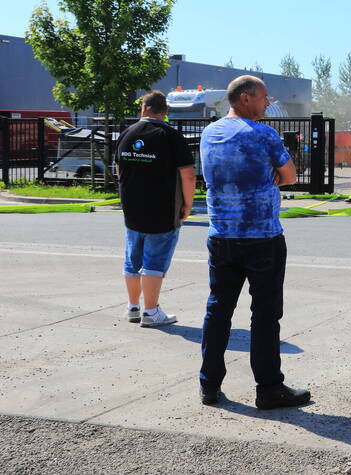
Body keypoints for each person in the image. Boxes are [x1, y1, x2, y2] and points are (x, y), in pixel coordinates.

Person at [198, 75, 310, 410]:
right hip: (262, 237)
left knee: (218, 310)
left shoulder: (209, 133)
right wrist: (270, 175)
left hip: (221, 235)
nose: (267, 102)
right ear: (245, 98)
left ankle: (209, 385)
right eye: (263, 97)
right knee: (264, 314)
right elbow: (290, 176)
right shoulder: (263, 134)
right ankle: (269, 388)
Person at [115, 91, 195, 328]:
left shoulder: (126, 134)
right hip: (162, 207)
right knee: (154, 260)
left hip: (131, 206)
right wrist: (187, 205)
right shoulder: (171, 136)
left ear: (143, 109)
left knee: (132, 257)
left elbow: (119, 169)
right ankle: (150, 312)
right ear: (165, 112)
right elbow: (188, 175)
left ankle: (132, 307)